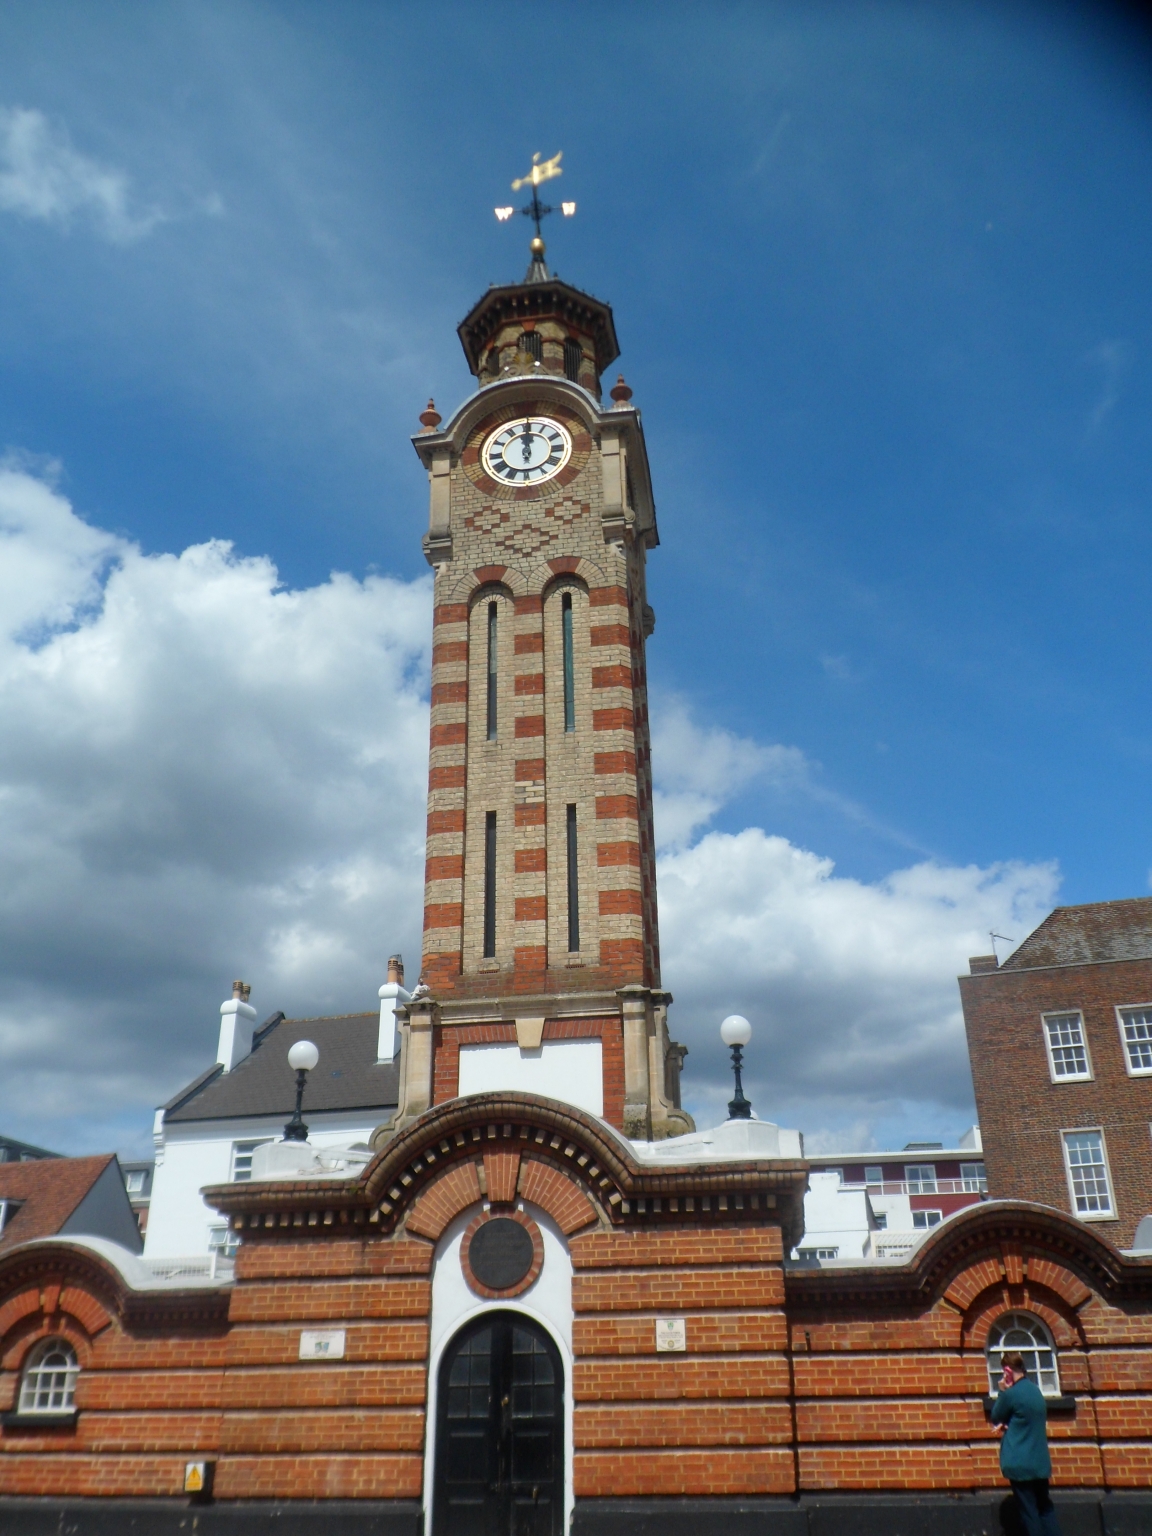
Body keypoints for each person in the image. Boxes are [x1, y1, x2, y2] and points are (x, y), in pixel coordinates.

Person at [991, 1351, 1063, 1536]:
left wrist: (1002, 1390)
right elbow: (1025, 1420)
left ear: (1007, 1370)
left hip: (1020, 1463)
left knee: (1029, 1513)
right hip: (1039, 1462)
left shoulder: (1011, 1394)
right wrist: (1010, 1425)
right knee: (1045, 1509)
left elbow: (995, 1415)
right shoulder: (1036, 1391)